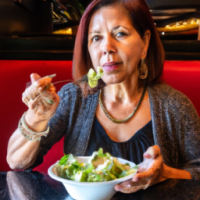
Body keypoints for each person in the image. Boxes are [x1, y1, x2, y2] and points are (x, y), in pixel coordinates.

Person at [7, 0, 200, 194]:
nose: (107, 47)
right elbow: (16, 162)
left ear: (145, 42)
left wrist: (165, 174)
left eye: (120, 34)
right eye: (96, 38)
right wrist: (37, 117)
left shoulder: (175, 105)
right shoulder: (75, 97)